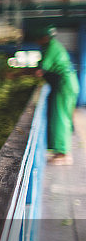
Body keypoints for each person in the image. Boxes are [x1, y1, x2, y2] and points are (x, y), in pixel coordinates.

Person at [34, 25, 80, 165]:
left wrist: (15, 74)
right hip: (64, 84)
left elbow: (40, 71)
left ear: (44, 37)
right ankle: (61, 151)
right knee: (60, 116)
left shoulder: (51, 47)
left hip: (64, 85)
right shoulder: (50, 46)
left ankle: (64, 154)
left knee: (61, 118)